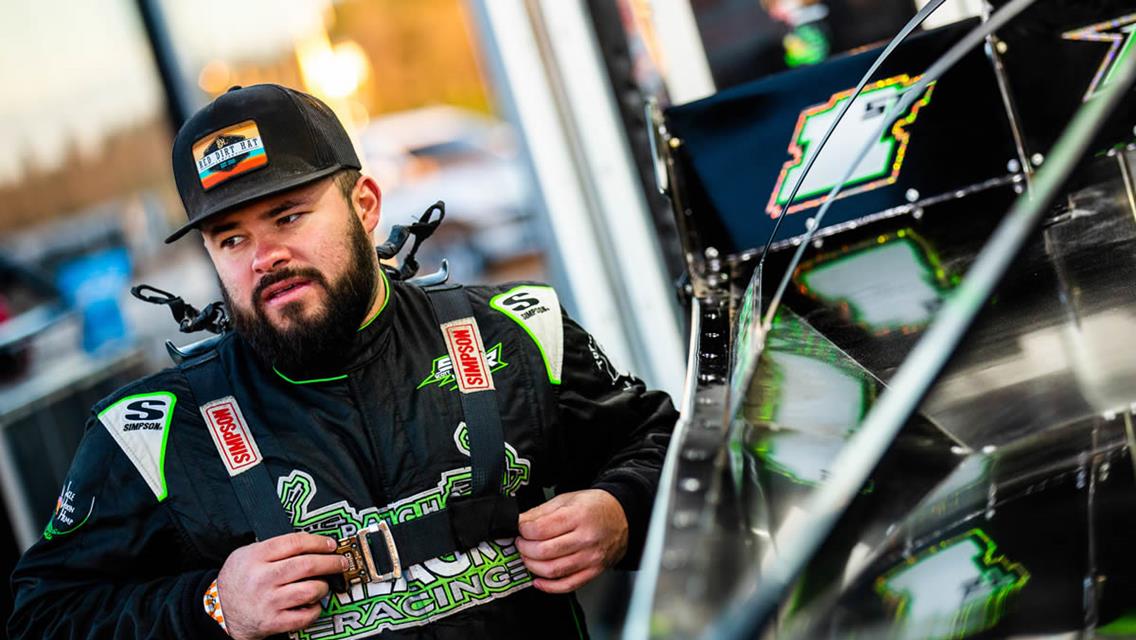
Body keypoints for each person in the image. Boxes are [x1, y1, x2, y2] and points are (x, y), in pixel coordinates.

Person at [8, 85, 677, 639]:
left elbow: (679, 450)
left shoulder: (516, 331)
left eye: (288, 216)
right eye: (231, 237)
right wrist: (210, 605)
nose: (262, 256)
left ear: (366, 207)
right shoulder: (150, 433)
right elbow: (42, 618)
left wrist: (621, 511)